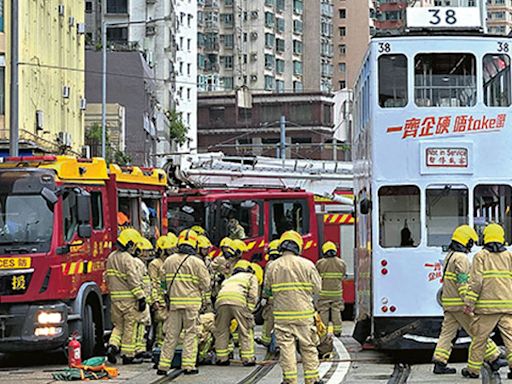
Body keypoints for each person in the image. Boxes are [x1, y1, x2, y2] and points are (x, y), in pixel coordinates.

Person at [432, 225, 501, 374]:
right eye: (471, 242)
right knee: (478, 330)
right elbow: (462, 282)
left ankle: (439, 362)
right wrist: (468, 302)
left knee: (447, 334)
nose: (472, 245)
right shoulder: (461, 258)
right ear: (466, 241)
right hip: (459, 305)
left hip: (449, 304)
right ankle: (494, 357)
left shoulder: (450, 256)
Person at [264, 231, 323, 384]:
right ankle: (312, 379)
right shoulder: (307, 264)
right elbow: (318, 288)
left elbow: (267, 290)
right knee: (308, 346)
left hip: (282, 315)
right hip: (304, 314)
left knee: (286, 349)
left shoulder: (272, 266)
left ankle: (290, 380)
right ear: (298, 247)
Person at [157, 229, 211, 376]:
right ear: (194, 244)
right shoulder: (197, 262)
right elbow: (206, 285)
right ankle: (188, 366)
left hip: (174, 305)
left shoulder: (169, 261)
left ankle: (163, 366)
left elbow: (162, 282)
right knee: (190, 334)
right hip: (192, 305)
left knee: (171, 335)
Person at [462, 223, 511, 379]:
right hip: (507, 305)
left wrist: (469, 303)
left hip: (486, 308)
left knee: (479, 339)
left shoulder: (480, 256)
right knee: (510, 338)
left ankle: (473, 370)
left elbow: (476, 282)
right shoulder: (509, 256)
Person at [105, 228, 147, 365]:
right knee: (130, 327)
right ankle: (127, 356)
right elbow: (132, 280)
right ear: (129, 244)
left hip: (115, 299)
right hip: (129, 300)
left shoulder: (111, 257)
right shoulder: (128, 259)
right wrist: (141, 296)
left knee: (118, 326)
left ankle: (112, 346)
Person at [214, 260, 259, 367]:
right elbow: (253, 294)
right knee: (245, 330)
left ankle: (221, 358)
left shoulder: (229, 279)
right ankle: (247, 358)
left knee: (221, 330)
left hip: (221, 302)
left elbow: (218, 291)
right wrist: (249, 310)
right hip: (238, 301)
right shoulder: (250, 277)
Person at [148, 234, 177, 350]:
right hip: (160, 298)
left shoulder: (170, 262)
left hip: (169, 296)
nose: (171, 251)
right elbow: (153, 282)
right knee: (160, 323)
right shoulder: (155, 264)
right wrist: (155, 300)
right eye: (168, 249)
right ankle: (159, 347)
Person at [316, 241, 346, 337]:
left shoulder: (320, 263)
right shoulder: (341, 263)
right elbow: (343, 276)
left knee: (323, 311)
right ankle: (337, 331)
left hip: (324, 293)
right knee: (336, 311)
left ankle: (323, 332)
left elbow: (316, 277)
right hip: (337, 293)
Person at [256, 239, 281, 347]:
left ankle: (266, 340)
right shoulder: (284, 263)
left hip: (271, 299)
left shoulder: (270, 265)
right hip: (283, 298)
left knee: (269, 320)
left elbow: (267, 283)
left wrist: (264, 296)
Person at [133, 237, 153, 359]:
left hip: (145, 298)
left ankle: (140, 348)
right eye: (145, 251)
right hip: (140, 299)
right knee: (140, 324)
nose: (147, 254)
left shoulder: (142, 263)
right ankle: (138, 349)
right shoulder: (137, 263)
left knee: (144, 324)